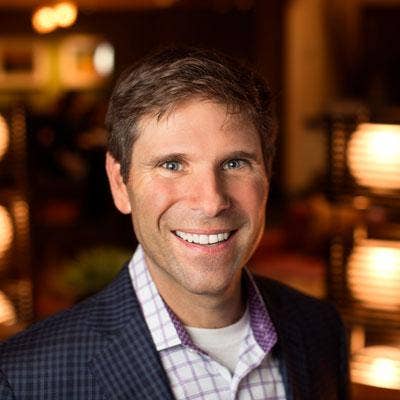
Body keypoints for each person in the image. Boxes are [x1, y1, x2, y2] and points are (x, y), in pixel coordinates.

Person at [0, 47, 349, 399]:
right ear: (120, 183)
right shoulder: (23, 378)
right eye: (172, 165)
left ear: (267, 176)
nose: (211, 202)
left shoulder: (320, 329)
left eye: (235, 163)